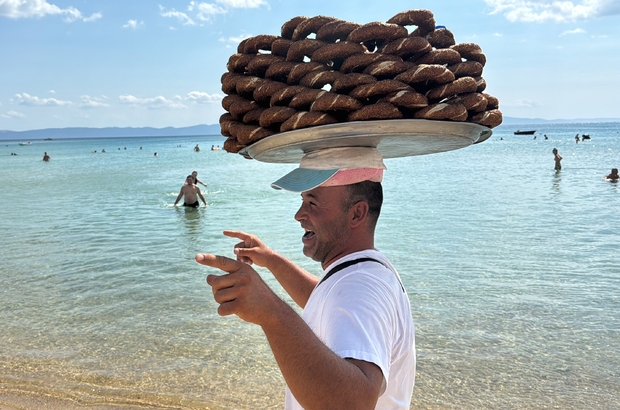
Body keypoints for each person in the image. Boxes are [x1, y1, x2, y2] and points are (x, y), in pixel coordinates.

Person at [196, 147, 416, 409]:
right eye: (302, 201)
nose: (299, 214)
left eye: (313, 202)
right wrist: (272, 261)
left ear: (357, 213)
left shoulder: (361, 284)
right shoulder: (361, 272)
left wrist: (270, 312)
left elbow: (354, 403)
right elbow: (328, 304)